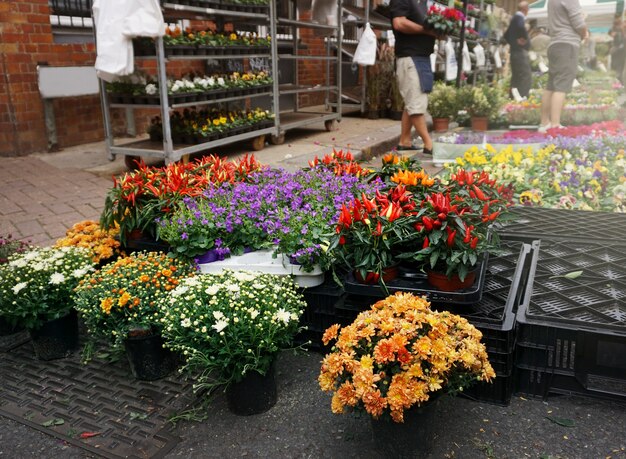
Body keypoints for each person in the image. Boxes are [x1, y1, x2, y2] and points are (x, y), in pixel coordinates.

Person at [389, 0, 438, 154]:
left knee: (412, 100)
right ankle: (429, 144)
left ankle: (405, 140)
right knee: (416, 104)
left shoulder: (421, 3)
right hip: (409, 57)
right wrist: (427, 31)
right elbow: (399, 23)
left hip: (421, 57)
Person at [538, 0, 588, 132]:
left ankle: (544, 123)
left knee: (551, 85)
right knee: (562, 85)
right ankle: (555, 125)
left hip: (555, 43)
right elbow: (578, 24)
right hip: (567, 43)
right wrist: (585, 33)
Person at [503, 2, 532, 99]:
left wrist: (513, 42)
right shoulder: (519, 17)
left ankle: (513, 97)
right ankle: (522, 96)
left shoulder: (514, 19)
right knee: (525, 74)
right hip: (519, 52)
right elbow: (520, 27)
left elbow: (506, 35)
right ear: (525, 9)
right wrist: (524, 38)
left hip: (514, 52)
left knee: (516, 76)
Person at [609, 16, 624, 83]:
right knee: (619, 67)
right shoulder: (618, 30)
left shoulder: (617, 30)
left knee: (618, 66)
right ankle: (618, 80)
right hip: (619, 51)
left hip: (618, 50)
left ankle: (617, 79)